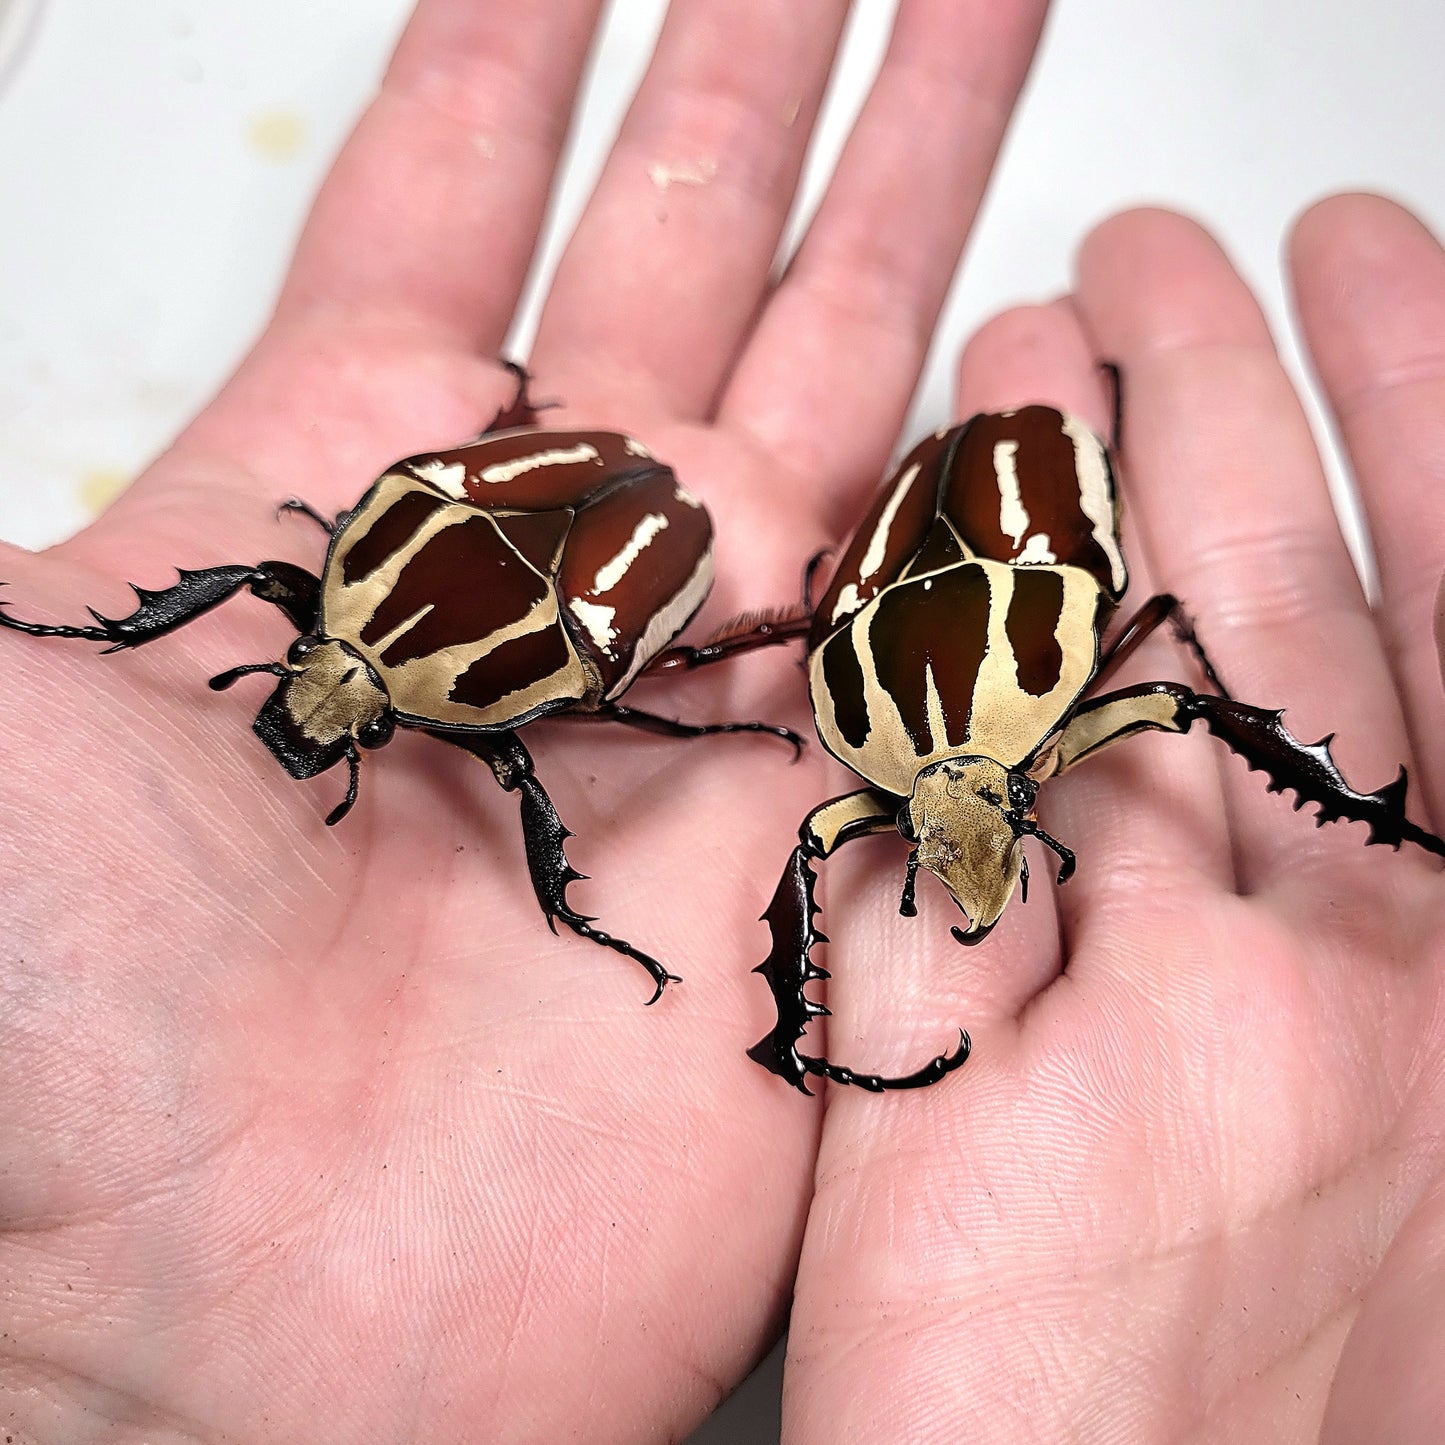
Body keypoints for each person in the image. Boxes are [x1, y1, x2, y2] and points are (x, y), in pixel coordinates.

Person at [1, 1, 1440, 1440]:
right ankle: (790, 1021)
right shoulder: (795, 742)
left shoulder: (834, 737)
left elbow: (1120, 682)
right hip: (763, 579)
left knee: (1121, 702)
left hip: (897, 551)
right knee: (1034, 728)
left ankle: (1350, 833)